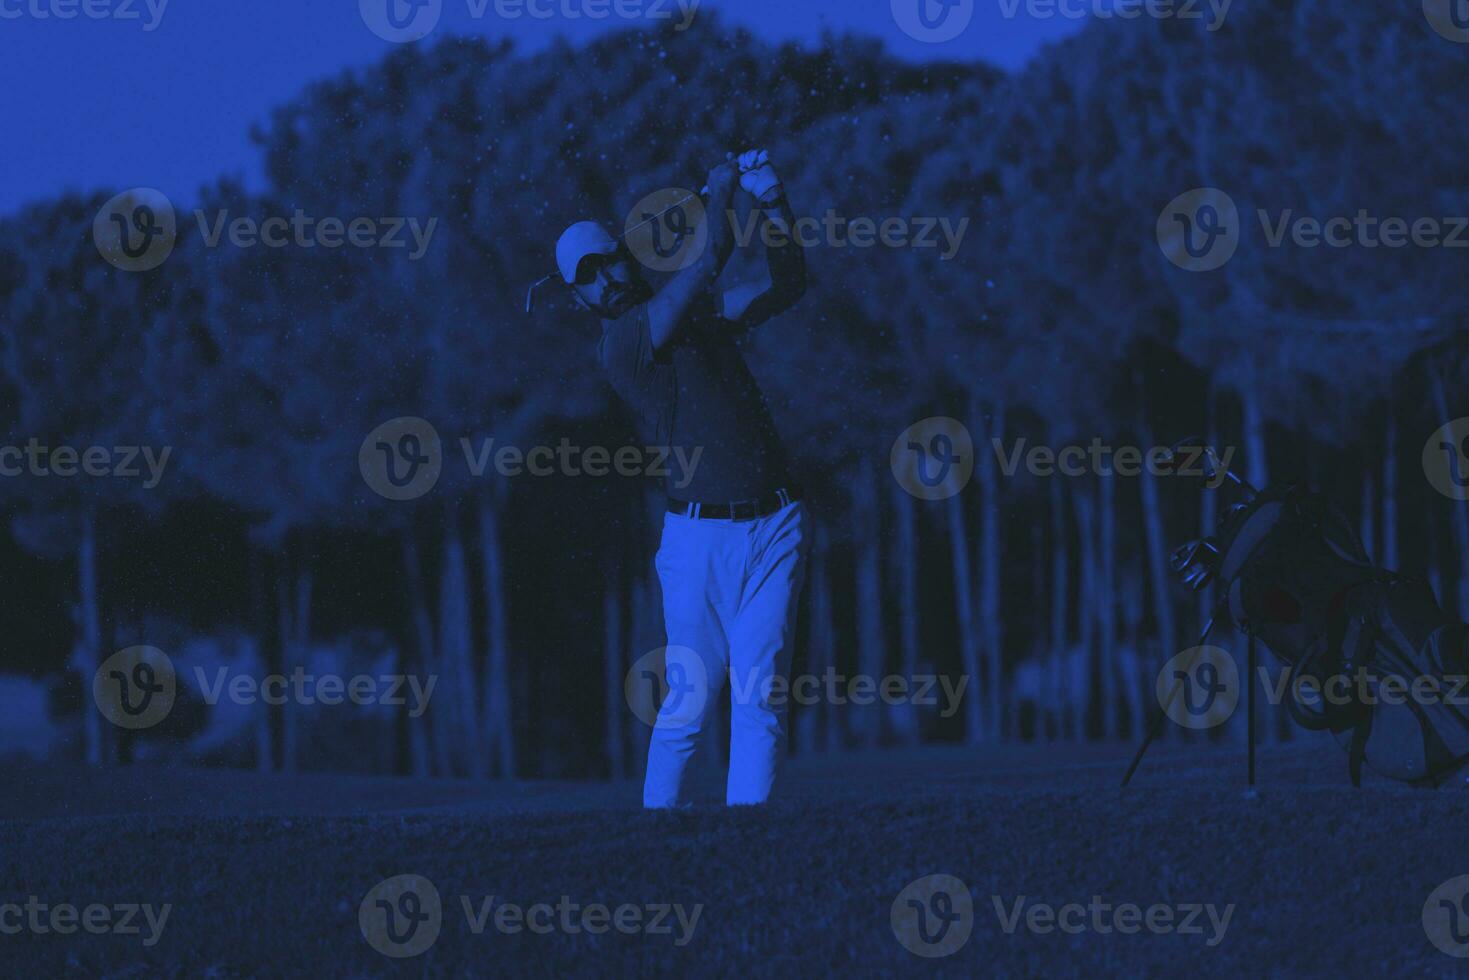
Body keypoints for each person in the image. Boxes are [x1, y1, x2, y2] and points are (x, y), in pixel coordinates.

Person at [557, 149, 810, 807]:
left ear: (623, 254)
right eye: (588, 277)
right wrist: (723, 192)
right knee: (690, 703)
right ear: (579, 296)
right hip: (698, 543)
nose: (605, 277)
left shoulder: (698, 315)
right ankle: (653, 843)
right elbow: (709, 257)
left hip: (776, 522)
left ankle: (752, 842)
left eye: (606, 259)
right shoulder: (623, 343)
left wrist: (774, 205)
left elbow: (788, 283)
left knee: (761, 695)